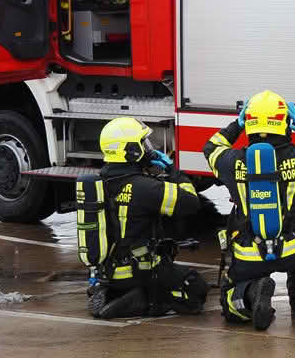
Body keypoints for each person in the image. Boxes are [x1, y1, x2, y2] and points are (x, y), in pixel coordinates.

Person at [203, 90, 295, 330]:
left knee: (229, 297)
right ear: (285, 124)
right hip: (294, 251)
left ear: (250, 123)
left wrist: (236, 125)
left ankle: (253, 292)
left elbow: (210, 147)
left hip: (250, 255)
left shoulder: (232, 160)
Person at [85, 117, 209, 319]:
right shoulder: (145, 188)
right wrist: (172, 170)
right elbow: (190, 202)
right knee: (196, 288)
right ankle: (145, 301)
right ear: (130, 149)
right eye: (142, 143)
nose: (148, 149)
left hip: (107, 271)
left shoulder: (99, 182)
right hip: (141, 269)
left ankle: (112, 292)